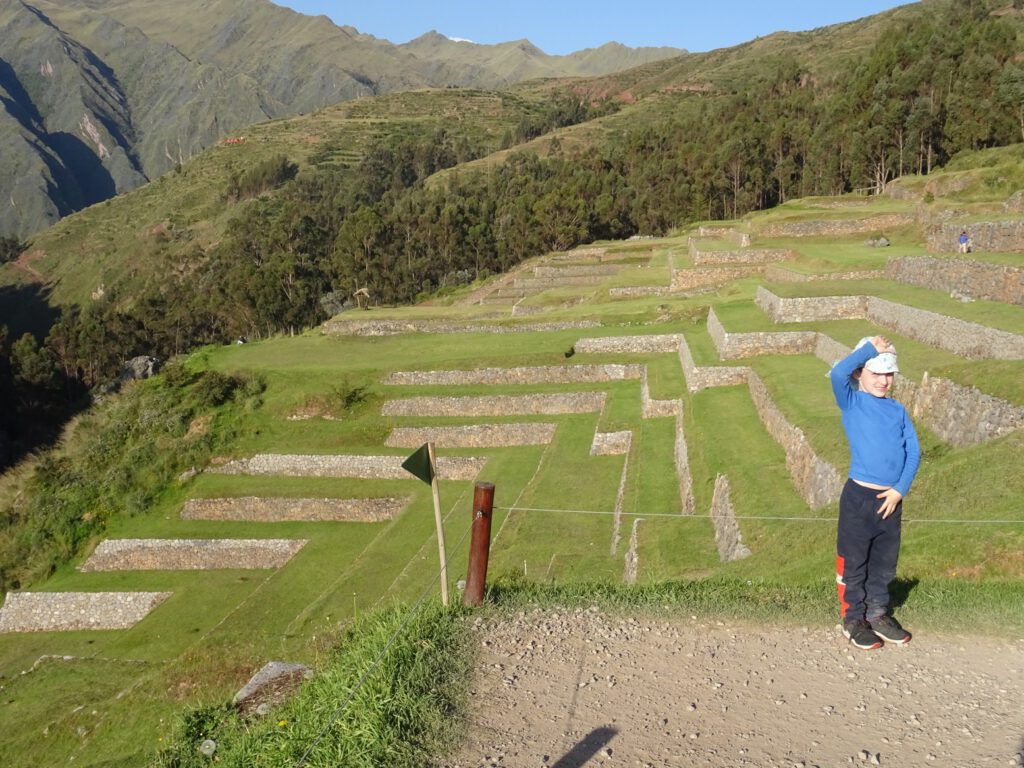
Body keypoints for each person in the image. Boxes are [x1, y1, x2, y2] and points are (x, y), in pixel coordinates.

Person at [829, 335, 920, 650]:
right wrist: (870, 350)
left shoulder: (898, 411)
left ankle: (878, 614)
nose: (883, 381)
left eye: (889, 374)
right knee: (855, 561)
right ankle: (853, 619)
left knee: (884, 563)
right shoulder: (852, 401)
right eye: (876, 373)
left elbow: (914, 452)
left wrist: (899, 490)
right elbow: (838, 373)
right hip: (859, 499)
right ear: (860, 374)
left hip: (891, 501)